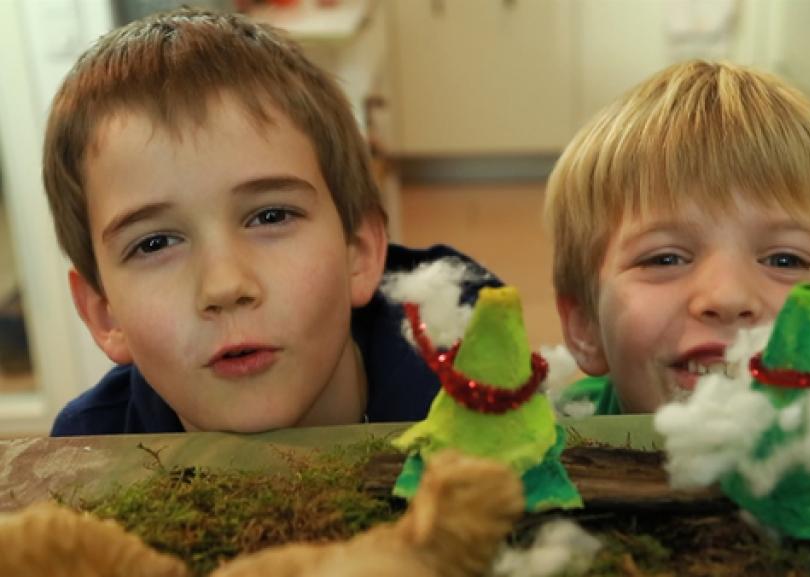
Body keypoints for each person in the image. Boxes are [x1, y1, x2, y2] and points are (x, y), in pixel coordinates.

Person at [45, 8, 498, 436]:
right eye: (154, 243)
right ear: (105, 315)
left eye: (270, 216)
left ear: (357, 251)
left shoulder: (478, 385)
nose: (224, 286)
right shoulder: (86, 458)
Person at [545, 60, 810, 414]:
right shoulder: (559, 439)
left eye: (785, 260)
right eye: (665, 259)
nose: (728, 298)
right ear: (585, 325)